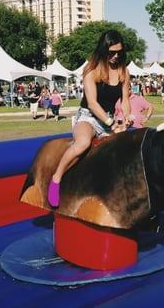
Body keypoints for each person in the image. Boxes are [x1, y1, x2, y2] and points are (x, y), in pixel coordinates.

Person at [47, 30, 131, 208]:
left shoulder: (124, 71)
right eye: (112, 53)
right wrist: (111, 124)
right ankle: (57, 178)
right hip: (88, 117)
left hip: (110, 119)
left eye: (119, 52)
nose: (116, 56)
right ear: (103, 50)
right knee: (83, 143)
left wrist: (126, 118)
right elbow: (92, 103)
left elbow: (125, 101)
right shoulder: (91, 70)